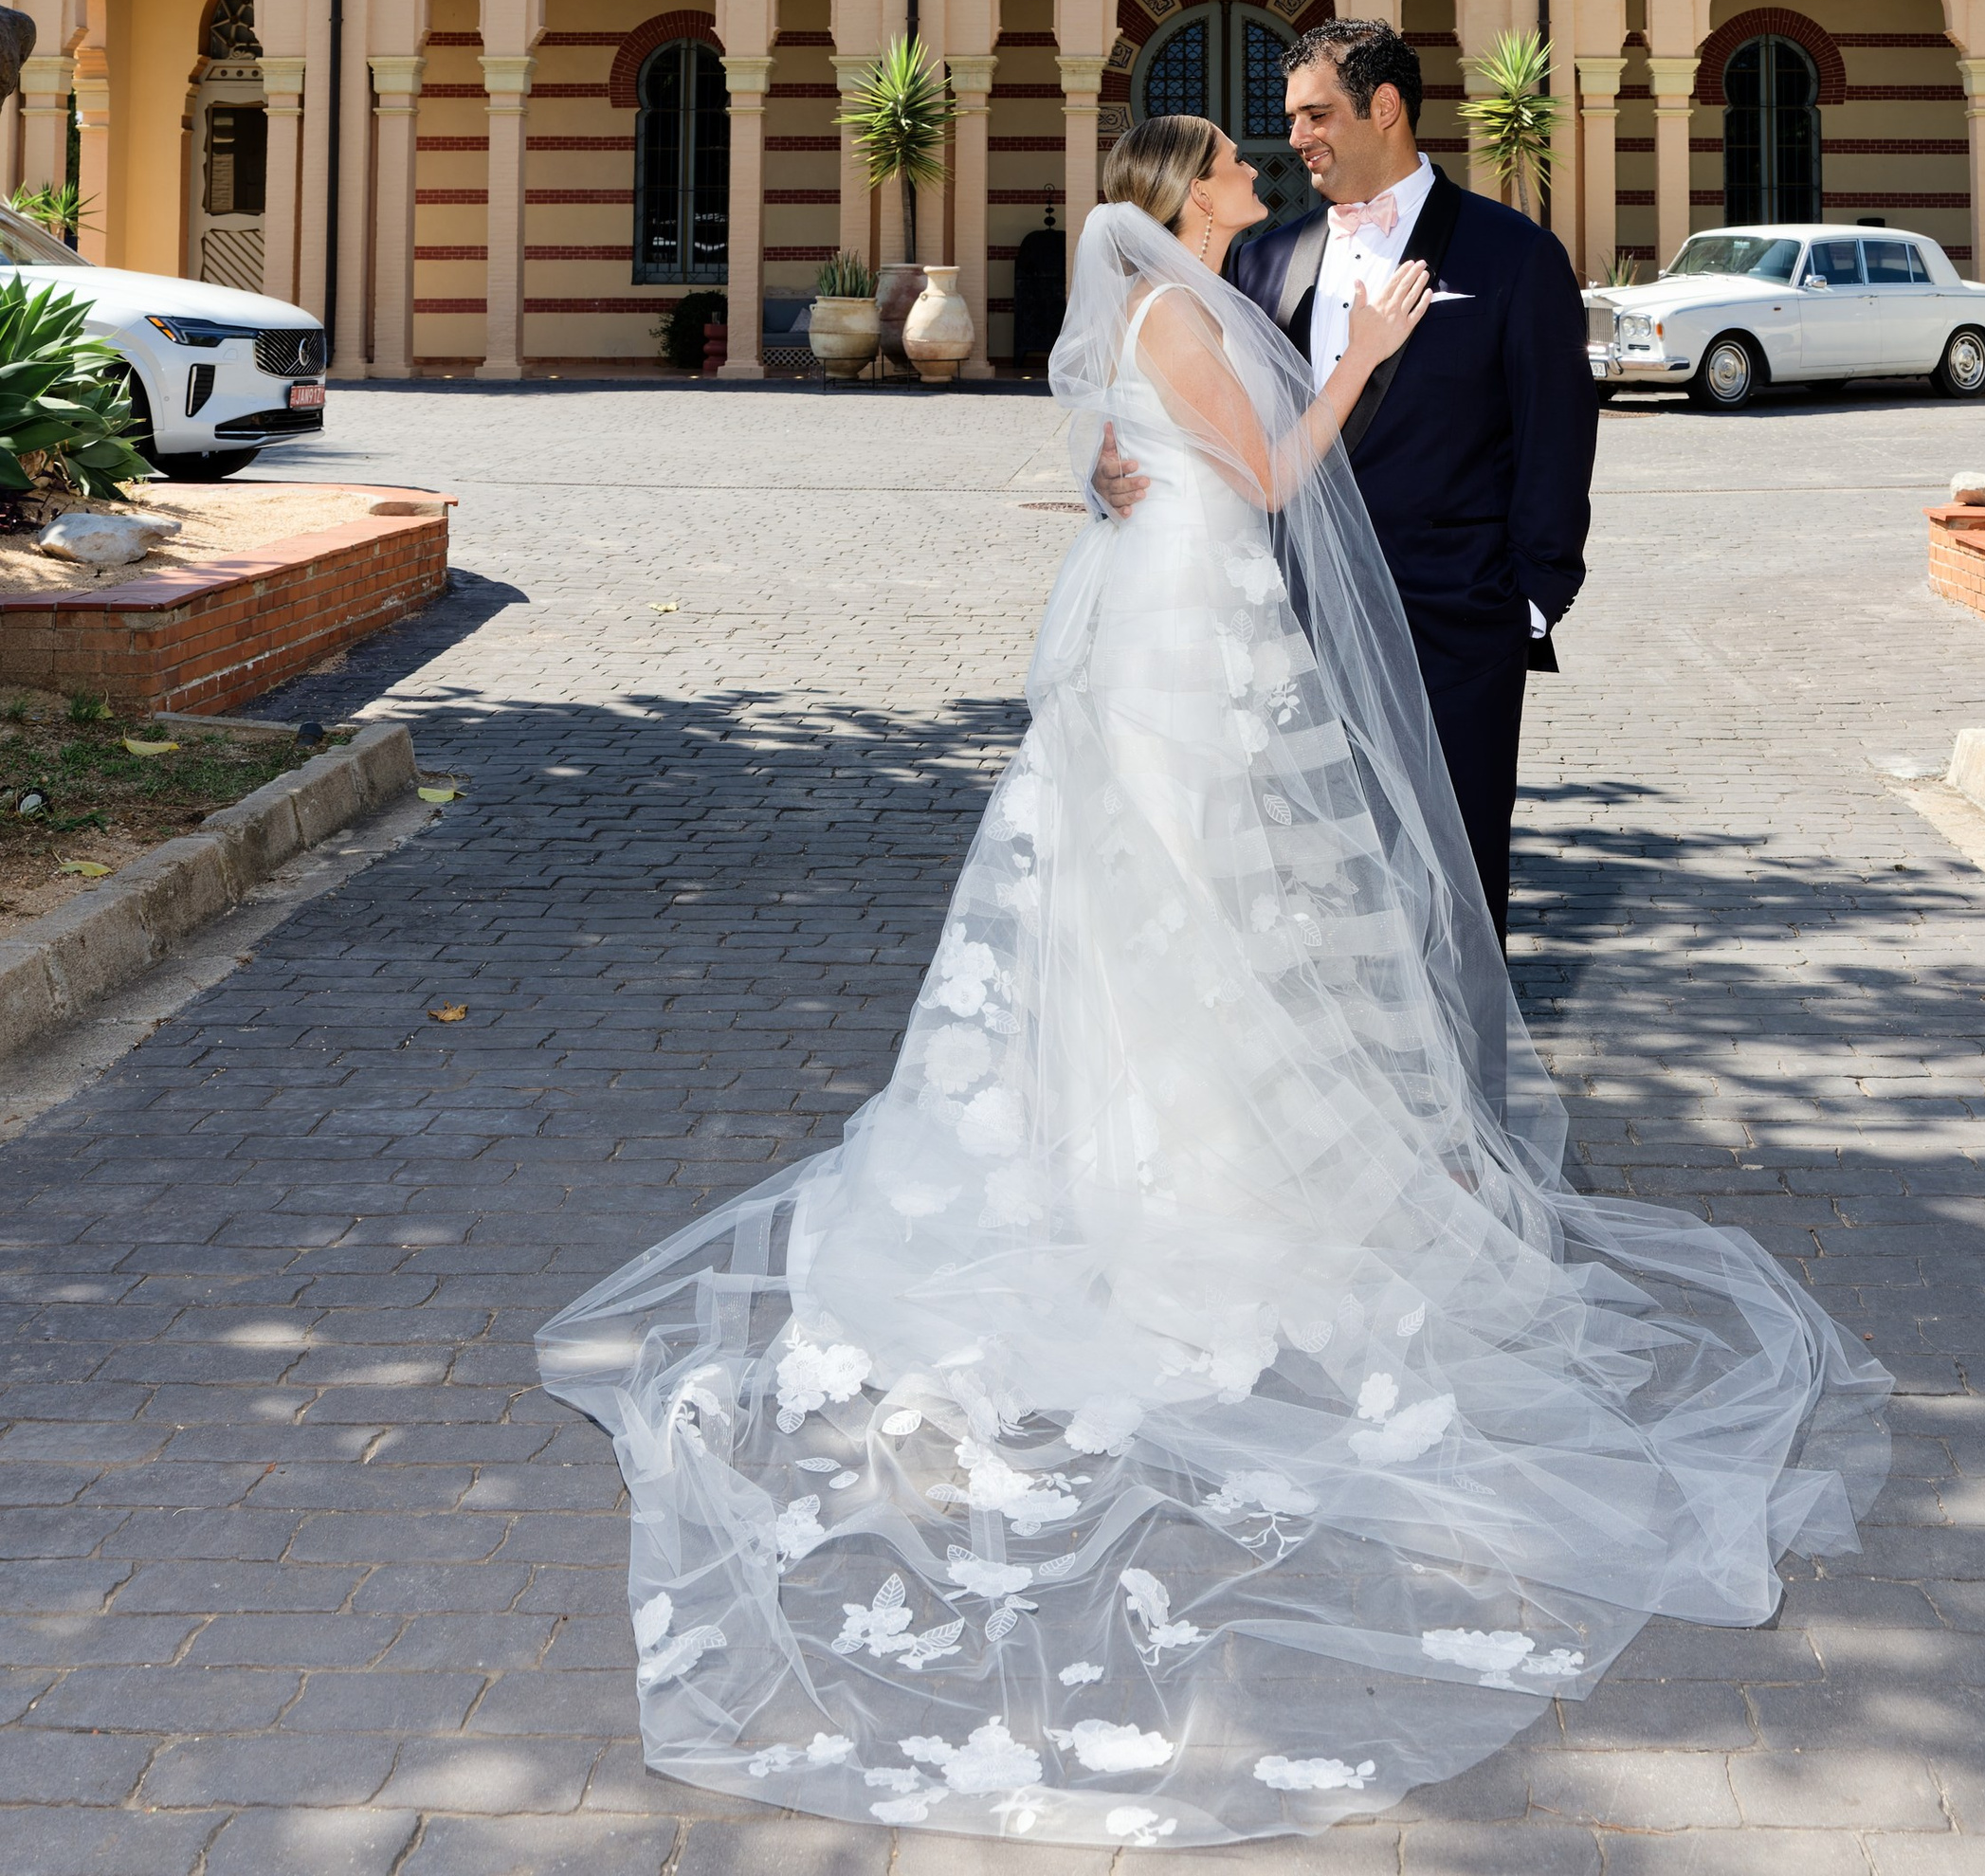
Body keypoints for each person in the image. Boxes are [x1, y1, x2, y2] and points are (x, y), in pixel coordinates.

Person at [537, 117, 1888, 1852]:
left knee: (1188, 905)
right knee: (1185, 896)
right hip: (1193, 624)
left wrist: (1151, 451)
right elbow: (1261, 477)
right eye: (1240, 166)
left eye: (1280, 152)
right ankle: (1180, 1166)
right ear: (1191, 192)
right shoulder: (1185, 297)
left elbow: (1130, 439)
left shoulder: (1166, 286)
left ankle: (1186, 1134)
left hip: (1183, 617)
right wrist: (1371, 360)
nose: (1263, 175)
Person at [1226, 14, 1599, 940]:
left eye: (1315, 116)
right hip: (1295, 630)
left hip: (1454, 630)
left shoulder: (1513, 256)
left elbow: (1557, 433)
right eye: (1292, 117)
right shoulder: (1263, 258)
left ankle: (1465, 1085)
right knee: (1308, 884)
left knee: (1455, 888)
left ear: (1384, 107)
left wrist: (1528, 601)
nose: (1297, 137)